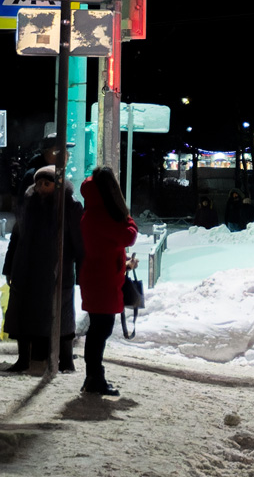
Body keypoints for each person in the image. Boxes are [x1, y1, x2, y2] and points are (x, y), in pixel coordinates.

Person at [1, 165, 84, 373]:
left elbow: (78, 241)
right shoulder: (28, 204)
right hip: (26, 269)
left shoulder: (69, 206)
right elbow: (16, 237)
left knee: (61, 314)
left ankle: (65, 361)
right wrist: (9, 267)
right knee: (23, 314)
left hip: (56, 270)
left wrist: (80, 269)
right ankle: (24, 359)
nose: (40, 188)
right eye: (38, 183)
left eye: (46, 184)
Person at [79, 167, 138, 397]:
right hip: (102, 279)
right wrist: (128, 216)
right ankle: (94, 378)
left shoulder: (94, 210)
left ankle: (93, 377)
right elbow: (128, 235)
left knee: (98, 329)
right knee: (99, 331)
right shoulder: (100, 213)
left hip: (100, 277)